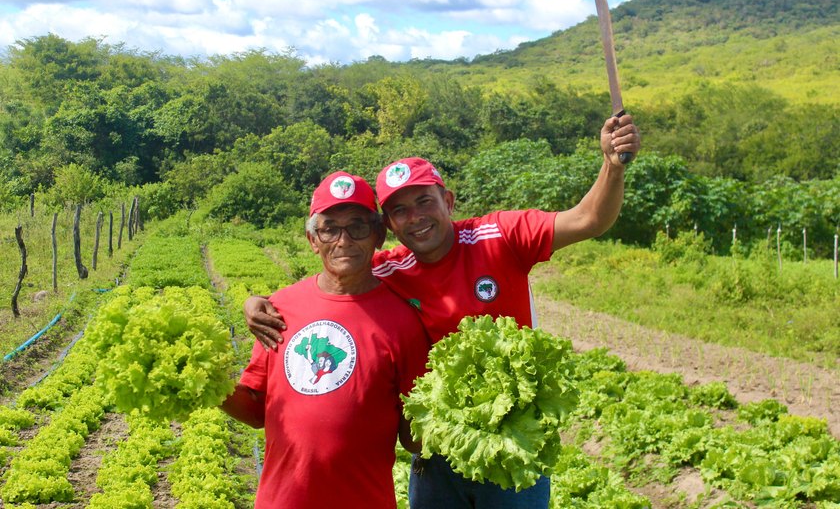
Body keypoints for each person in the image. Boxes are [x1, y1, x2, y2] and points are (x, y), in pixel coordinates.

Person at [245, 114, 640, 508]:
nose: (415, 218)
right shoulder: (388, 268)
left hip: (511, 442)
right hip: (434, 455)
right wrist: (259, 303)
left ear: (447, 201)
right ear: (390, 226)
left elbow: (589, 219)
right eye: (400, 210)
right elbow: (335, 282)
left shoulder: (499, 237)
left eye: (424, 202)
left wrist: (612, 165)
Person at [221, 171, 431, 509]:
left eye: (358, 226)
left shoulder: (404, 320)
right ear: (312, 239)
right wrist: (210, 385)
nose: (343, 240)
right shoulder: (279, 309)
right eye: (329, 228)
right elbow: (257, 411)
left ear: (378, 235)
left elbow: (412, 437)